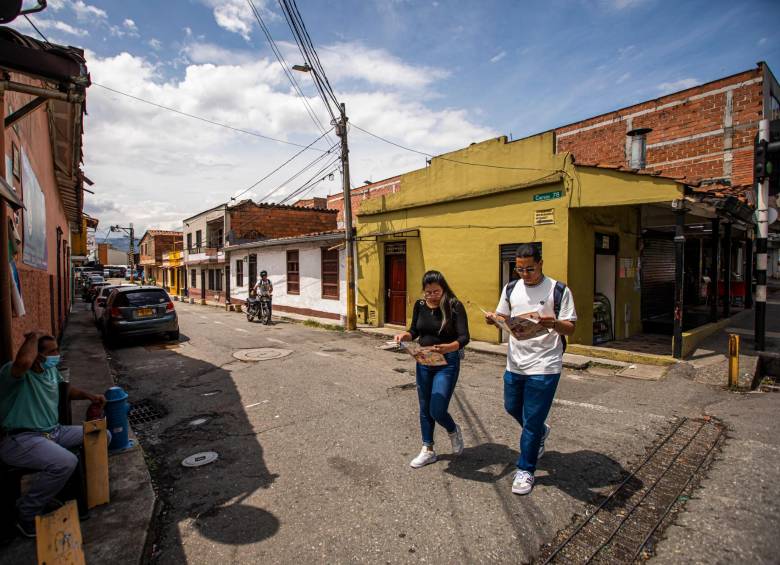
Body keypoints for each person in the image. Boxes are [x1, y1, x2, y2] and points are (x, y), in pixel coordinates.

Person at [485, 244, 576, 495]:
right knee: (512, 406)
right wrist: (494, 319)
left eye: (530, 269)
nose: (524, 274)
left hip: (545, 363)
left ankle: (526, 469)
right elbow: (504, 317)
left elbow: (571, 327)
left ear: (541, 263)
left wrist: (555, 323)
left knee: (533, 420)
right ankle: (540, 432)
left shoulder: (559, 290)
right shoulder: (511, 288)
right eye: (520, 269)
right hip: (515, 361)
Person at [0, 331, 107, 537]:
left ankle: (70, 489)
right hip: (22, 438)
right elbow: (22, 363)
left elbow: (65, 391)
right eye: (52, 351)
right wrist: (32, 337)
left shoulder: (50, 372)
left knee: (101, 435)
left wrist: (90, 396)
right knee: (65, 462)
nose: (58, 354)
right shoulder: (14, 374)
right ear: (38, 356)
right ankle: (26, 513)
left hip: (54, 431)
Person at [395, 270, 470, 468]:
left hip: (447, 362)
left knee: (437, 408)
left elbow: (464, 337)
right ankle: (428, 449)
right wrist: (405, 336)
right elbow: (414, 330)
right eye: (428, 292)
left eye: (435, 292)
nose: (431, 296)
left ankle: (453, 430)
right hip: (424, 360)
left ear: (443, 289)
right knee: (424, 406)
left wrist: (450, 347)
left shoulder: (454, 306)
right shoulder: (420, 306)